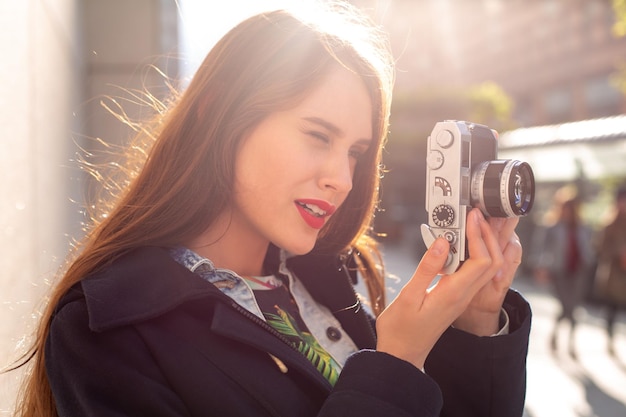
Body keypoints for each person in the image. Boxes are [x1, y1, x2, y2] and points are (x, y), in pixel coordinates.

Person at [10, 3, 531, 416]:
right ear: (221, 113)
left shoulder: (329, 274)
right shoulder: (107, 333)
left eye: (355, 152)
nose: (342, 177)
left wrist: (474, 326)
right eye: (317, 135)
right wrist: (395, 363)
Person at [533, 189, 595, 358]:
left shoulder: (583, 228)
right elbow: (541, 249)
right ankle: (567, 342)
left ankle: (564, 339)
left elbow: (589, 248)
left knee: (572, 307)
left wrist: (589, 260)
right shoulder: (553, 228)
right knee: (567, 306)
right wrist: (541, 267)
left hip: (577, 272)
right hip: (559, 272)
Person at [596, 186, 626, 356]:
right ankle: (610, 338)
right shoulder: (609, 224)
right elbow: (600, 248)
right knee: (612, 309)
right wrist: (618, 254)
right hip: (614, 276)